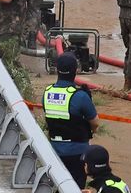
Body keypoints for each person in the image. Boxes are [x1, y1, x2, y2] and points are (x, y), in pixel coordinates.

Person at [42, 53, 98, 185]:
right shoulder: (81, 97)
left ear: (56, 69)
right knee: (76, 190)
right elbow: (95, 123)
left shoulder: (47, 93)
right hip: (77, 151)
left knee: (58, 187)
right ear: (76, 70)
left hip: (54, 150)